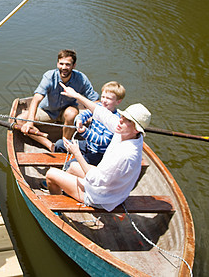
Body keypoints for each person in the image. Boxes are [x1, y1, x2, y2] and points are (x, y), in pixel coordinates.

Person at [45, 82, 151, 212]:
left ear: (136, 129)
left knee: (51, 174)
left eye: (127, 120)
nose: (121, 120)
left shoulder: (126, 154)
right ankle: (65, 190)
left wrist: (77, 153)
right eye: (122, 116)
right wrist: (76, 95)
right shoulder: (126, 131)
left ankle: (57, 209)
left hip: (102, 198)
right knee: (72, 167)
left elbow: (96, 180)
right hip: (109, 190)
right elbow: (101, 113)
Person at [20, 49, 99, 151]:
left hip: (66, 113)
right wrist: (30, 122)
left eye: (68, 64)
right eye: (61, 64)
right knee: (21, 120)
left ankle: (65, 144)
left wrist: (92, 115)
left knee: (72, 113)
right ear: (57, 63)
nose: (64, 67)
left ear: (74, 65)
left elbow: (95, 101)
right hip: (47, 111)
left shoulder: (81, 78)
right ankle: (50, 146)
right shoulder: (49, 76)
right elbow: (36, 99)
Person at [54, 81, 125, 166]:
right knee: (59, 144)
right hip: (88, 145)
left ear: (118, 101)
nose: (104, 100)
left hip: (99, 155)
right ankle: (58, 166)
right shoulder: (99, 106)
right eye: (103, 97)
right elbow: (85, 114)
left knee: (71, 164)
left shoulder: (115, 120)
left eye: (108, 98)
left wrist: (85, 132)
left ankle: (67, 170)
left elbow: (103, 141)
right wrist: (79, 120)